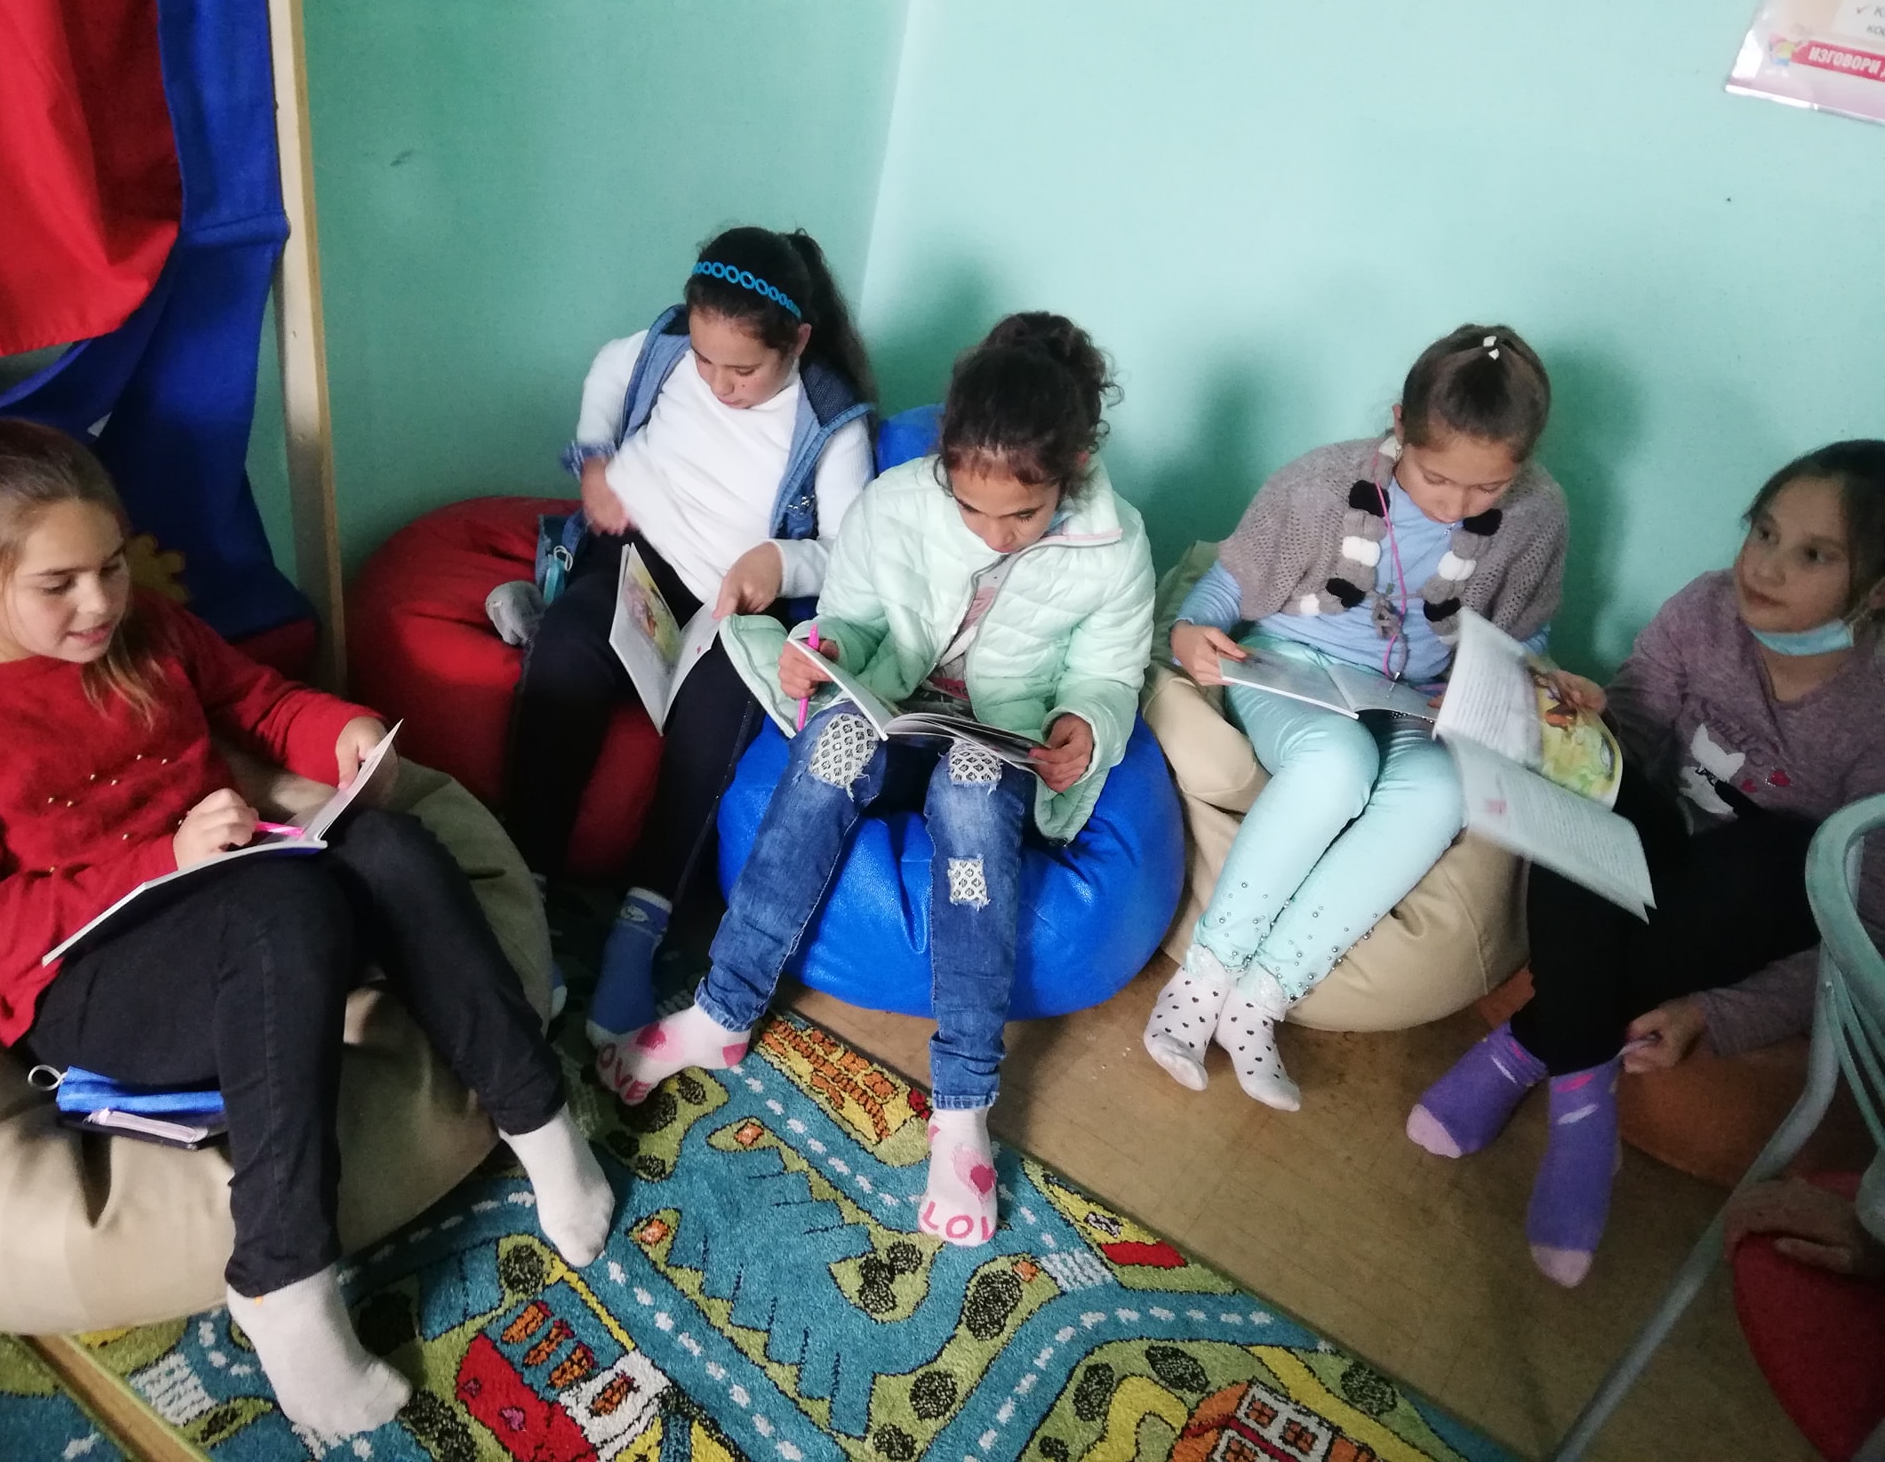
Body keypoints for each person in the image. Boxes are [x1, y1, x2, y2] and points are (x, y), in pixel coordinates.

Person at [0, 420, 614, 1436]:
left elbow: (258, 700)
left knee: (388, 846)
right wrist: (162, 859)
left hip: (244, 901)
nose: (100, 602)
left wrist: (338, 733)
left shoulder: (145, 631)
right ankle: (281, 1280)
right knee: (280, 903)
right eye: (59, 584)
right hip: (91, 986)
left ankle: (537, 1117)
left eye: (111, 566)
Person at [594, 313, 1154, 1248]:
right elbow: (850, 620)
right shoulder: (895, 503)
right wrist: (823, 650)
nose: (995, 535)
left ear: (1076, 465)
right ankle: (725, 1007)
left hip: (997, 737)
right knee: (832, 747)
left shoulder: (1115, 543)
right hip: (891, 705)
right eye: (971, 509)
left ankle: (963, 1102)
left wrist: (1084, 726)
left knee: (971, 797)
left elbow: (1110, 673)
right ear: (944, 461)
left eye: (1022, 516)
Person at [1410, 440, 1885, 1286]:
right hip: (1643, 856)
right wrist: (1574, 717)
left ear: (1877, 590)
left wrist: (1720, 1014)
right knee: (1583, 791)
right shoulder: (1705, 609)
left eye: (1814, 555)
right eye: (1763, 532)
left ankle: (1528, 1047)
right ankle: (1584, 1098)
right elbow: (1626, 743)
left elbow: (1864, 931)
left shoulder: (1874, 712)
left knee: (1789, 856)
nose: (1765, 567)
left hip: (1742, 909)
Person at [1147, 325, 1566, 1110]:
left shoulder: (1538, 515)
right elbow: (1225, 586)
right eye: (1437, 479)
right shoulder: (1320, 485)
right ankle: (1202, 981)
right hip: (1292, 667)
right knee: (1337, 764)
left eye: (1487, 489)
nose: (1456, 504)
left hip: (1416, 697)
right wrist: (1189, 635)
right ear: (1400, 425)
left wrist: (1497, 686)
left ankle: (1262, 996)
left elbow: (1527, 635)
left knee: (1443, 791)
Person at [503, 225, 875, 1046]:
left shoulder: (832, 420)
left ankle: (640, 930)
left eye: (743, 370)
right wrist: (594, 462)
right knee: (567, 653)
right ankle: (523, 899)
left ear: (797, 340)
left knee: (721, 711)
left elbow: (850, 550)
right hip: (633, 552)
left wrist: (780, 562)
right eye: (707, 361)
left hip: (727, 598)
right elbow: (610, 369)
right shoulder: (671, 344)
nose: (719, 383)